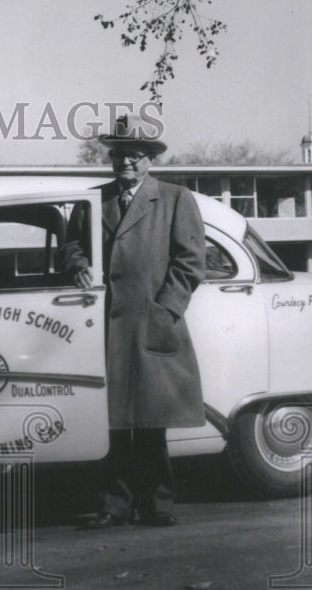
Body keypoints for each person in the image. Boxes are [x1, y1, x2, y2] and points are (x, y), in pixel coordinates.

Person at [64, 113, 206, 529]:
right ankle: (115, 504)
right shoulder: (93, 200)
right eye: (120, 154)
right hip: (103, 329)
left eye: (136, 155)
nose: (127, 162)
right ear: (111, 157)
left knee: (150, 422)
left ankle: (159, 504)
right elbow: (72, 244)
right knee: (111, 423)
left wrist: (166, 309)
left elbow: (191, 262)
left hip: (152, 324)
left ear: (151, 160)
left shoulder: (177, 199)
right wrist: (76, 265)